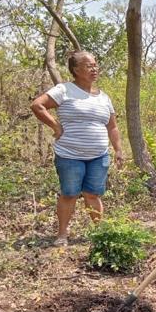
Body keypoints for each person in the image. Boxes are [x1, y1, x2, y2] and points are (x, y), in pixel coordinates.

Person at [30, 51, 124, 246]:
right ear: (75, 70)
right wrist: (55, 126)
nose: (94, 69)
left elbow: (112, 126)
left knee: (93, 194)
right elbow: (38, 105)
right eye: (89, 66)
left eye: (95, 65)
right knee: (70, 193)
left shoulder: (104, 97)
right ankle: (62, 234)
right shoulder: (64, 90)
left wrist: (118, 150)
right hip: (69, 155)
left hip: (98, 155)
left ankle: (100, 233)